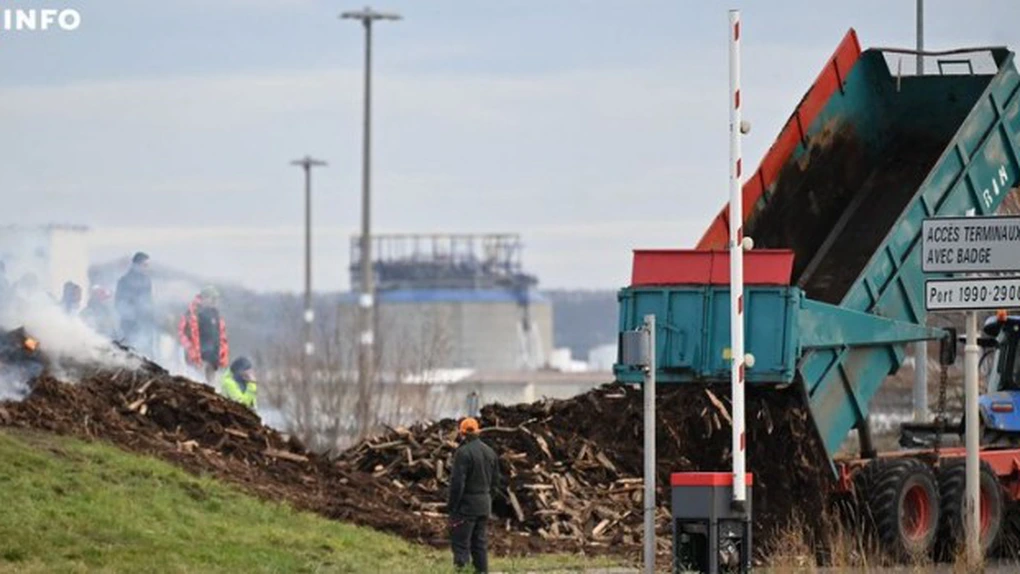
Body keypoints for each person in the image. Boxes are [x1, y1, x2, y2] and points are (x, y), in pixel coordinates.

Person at [448, 417, 502, 573]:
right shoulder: (490, 452)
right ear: (477, 431)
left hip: (466, 507)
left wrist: (452, 507)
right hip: (484, 506)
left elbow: (458, 484)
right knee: (479, 546)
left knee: (461, 545)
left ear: (462, 433)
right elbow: (496, 483)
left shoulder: (462, 453)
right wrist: (487, 498)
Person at [178, 285, 229, 383]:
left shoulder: (216, 315)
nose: (214, 301)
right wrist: (190, 349)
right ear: (204, 298)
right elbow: (182, 333)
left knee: (209, 388)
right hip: (196, 359)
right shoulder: (192, 313)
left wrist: (222, 356)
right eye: (212, 298)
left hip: (212, 361)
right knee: (195, 384)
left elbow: (222, 338)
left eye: (216, 299)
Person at [115, 252, 154, 355]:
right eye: (144, 265)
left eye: (147, 266)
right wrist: (132, 315)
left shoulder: (147, 281)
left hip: (145, 324)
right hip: (130, 324)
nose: (146, 268)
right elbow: (119, 303)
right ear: (136, 264)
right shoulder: (124, 281)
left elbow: (148, 301)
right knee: (131, 351)